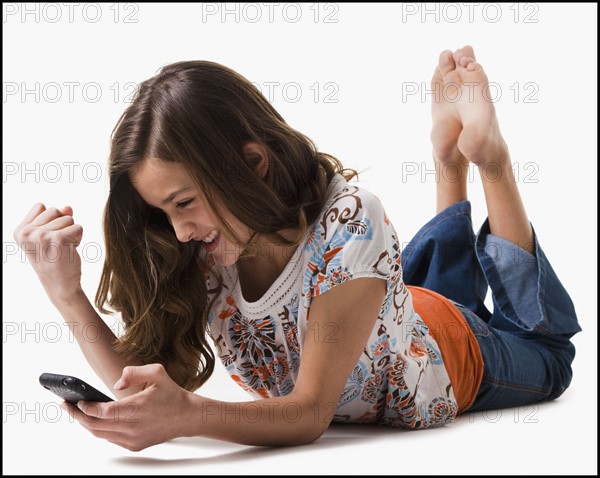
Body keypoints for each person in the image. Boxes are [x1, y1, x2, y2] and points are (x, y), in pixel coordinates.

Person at [14, 46, 581, 451]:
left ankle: (485, 160)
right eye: (163, 212)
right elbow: (145, 390)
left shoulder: (352, 223)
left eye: (184, 202)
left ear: (252, 165)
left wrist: (188, 417)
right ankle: (451, 160)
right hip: (390, 313)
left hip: (447, 355)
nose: (179, 229)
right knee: (427, 291)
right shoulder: (204, 252)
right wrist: (66, 294)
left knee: (550, 353)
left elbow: (309, 413)